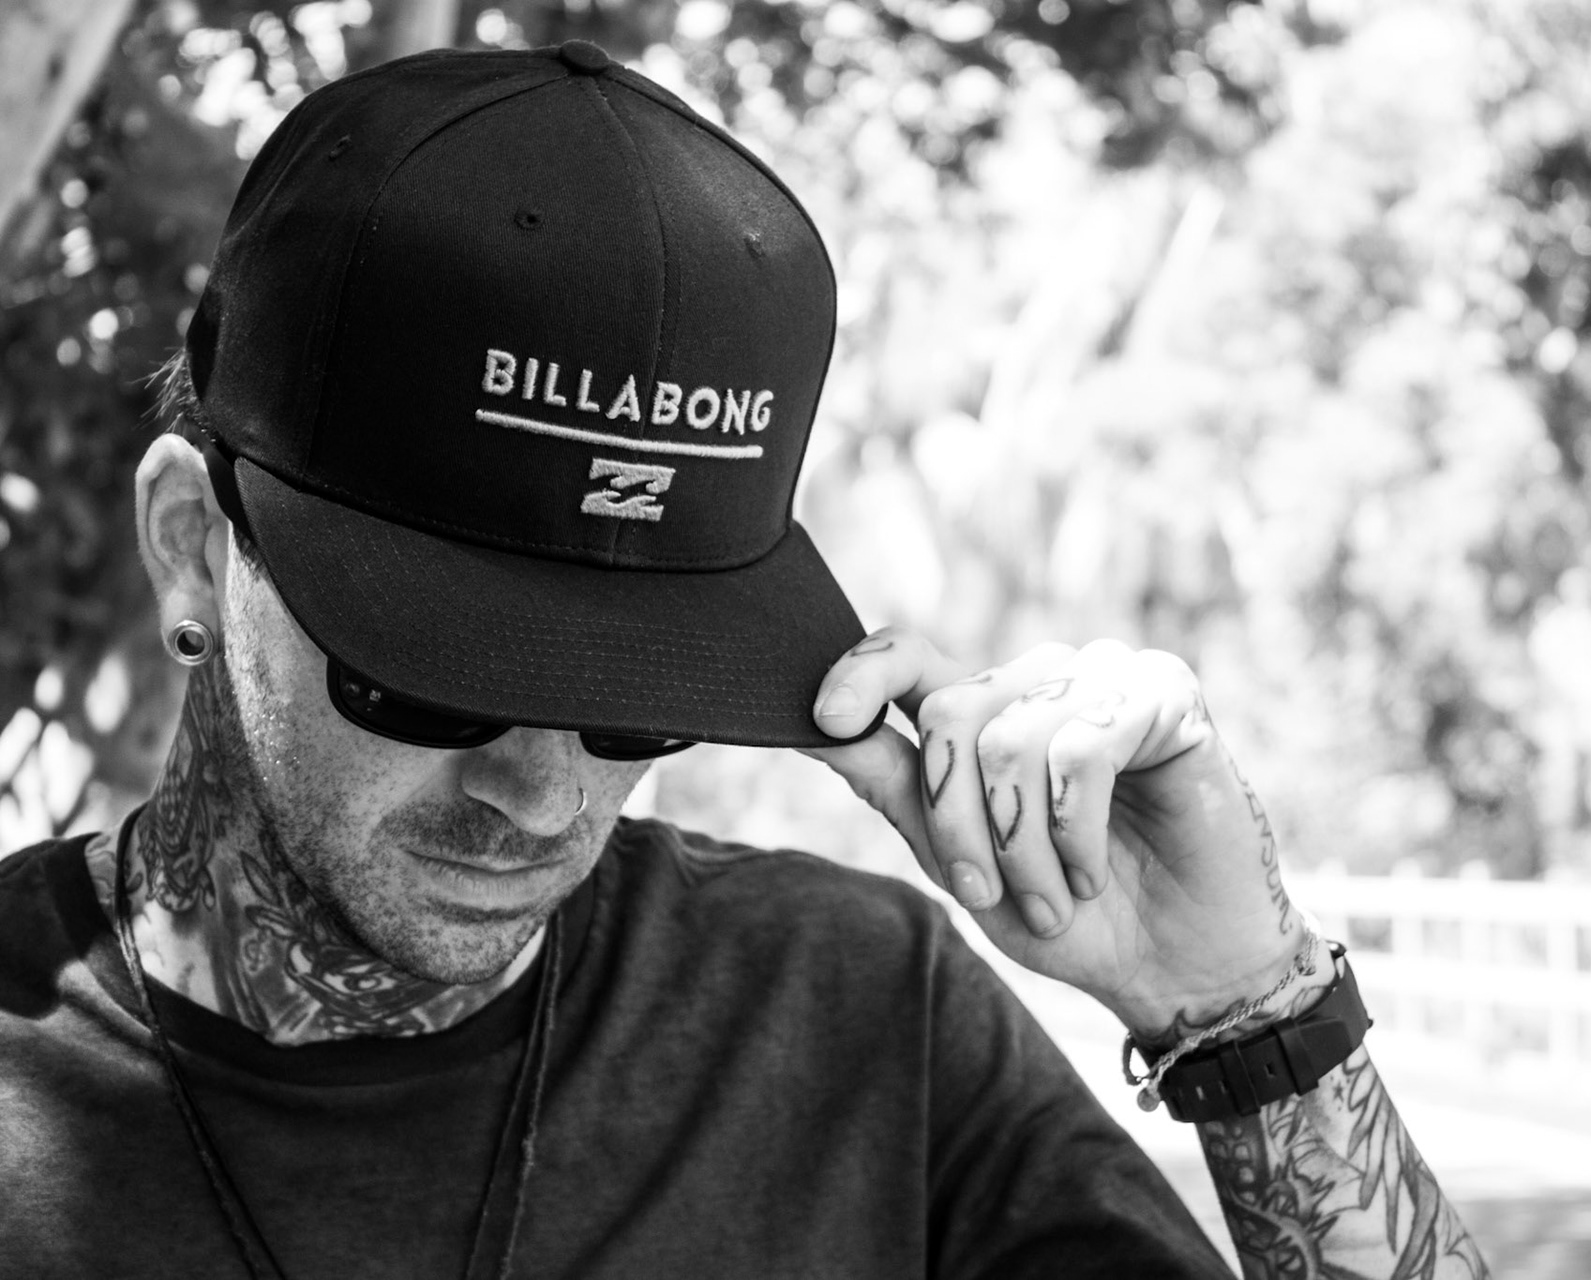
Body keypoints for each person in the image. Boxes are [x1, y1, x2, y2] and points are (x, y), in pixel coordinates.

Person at [0, 40, 1490, 1280]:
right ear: (192, 544)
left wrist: (1247, 1009)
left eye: (638, 708)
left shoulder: (860, 1023)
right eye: (436, 677)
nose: (542, 796)